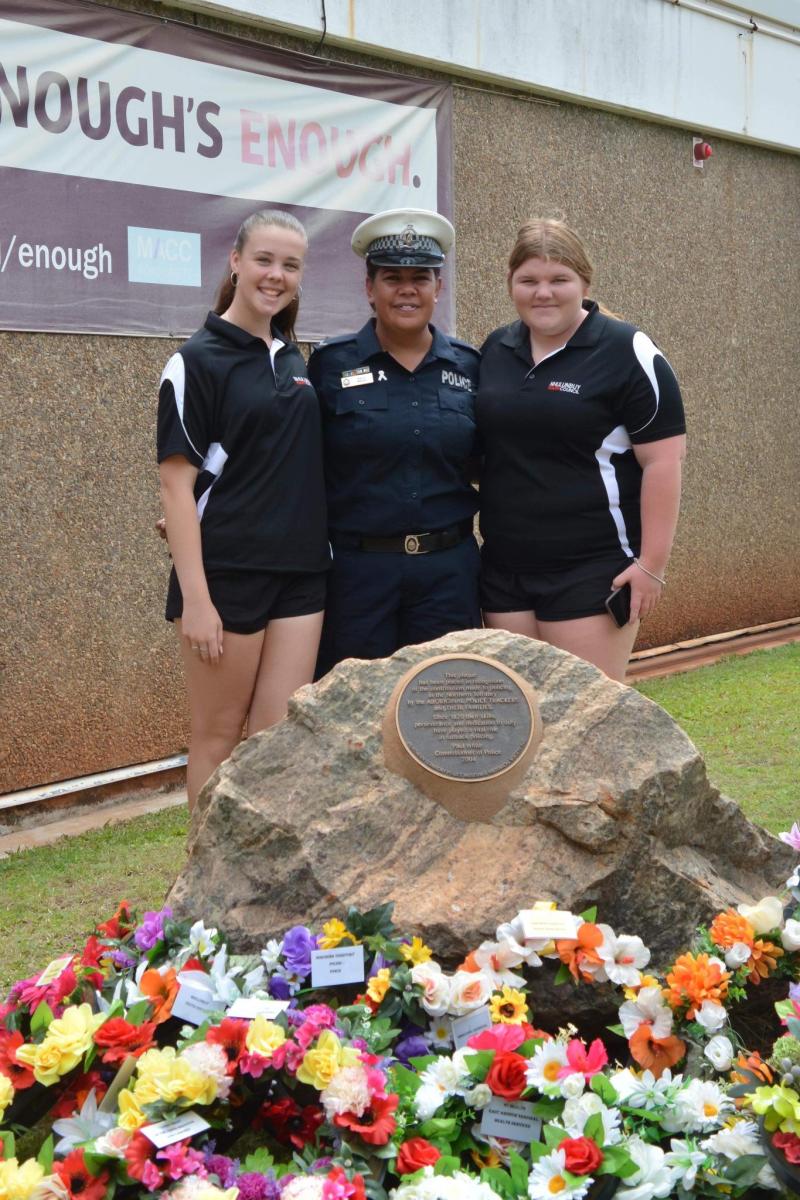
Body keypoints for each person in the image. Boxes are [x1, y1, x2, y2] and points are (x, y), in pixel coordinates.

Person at [157, 209, 330, 809]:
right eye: (264, 260)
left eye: (291, 265)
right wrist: (197, 599)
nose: (276, 275)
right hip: (227, 578)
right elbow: (177, 489)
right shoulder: (197, 361)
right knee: (218, 737)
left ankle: (261, 890)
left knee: (277, 739)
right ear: (235, 262)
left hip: (303, 576)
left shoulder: (292, 358)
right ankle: (204, 896)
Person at [476, 218, 686, 682]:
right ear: (510, 283)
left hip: (591, 572)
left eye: (558, 280)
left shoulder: (628, 350)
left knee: (583, 726)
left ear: (584, 282)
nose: (543, 293)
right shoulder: (496, 348)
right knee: (516, 727)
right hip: (504, 571)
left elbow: (663, 463)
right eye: (528, 280)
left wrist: (651, 566)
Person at [308, 208, 481, 677]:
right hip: (358, 576)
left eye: (421, 277)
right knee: (352, 717)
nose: (407, 289)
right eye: (392, 277)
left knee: (448, 706)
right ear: (369, 288)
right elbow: (291, 460)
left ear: (438, 287)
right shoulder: (329, 365)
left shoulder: (470, 367)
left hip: (449, 573)